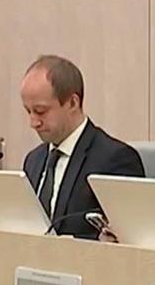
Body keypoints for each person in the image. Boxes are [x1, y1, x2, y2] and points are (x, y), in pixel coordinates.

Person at [20, 55, 145, 239]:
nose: (33, 122)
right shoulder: (34, 160)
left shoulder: (116, 159)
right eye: (28, 111)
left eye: (40, 111)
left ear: (73, 103)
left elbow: (130, 240)